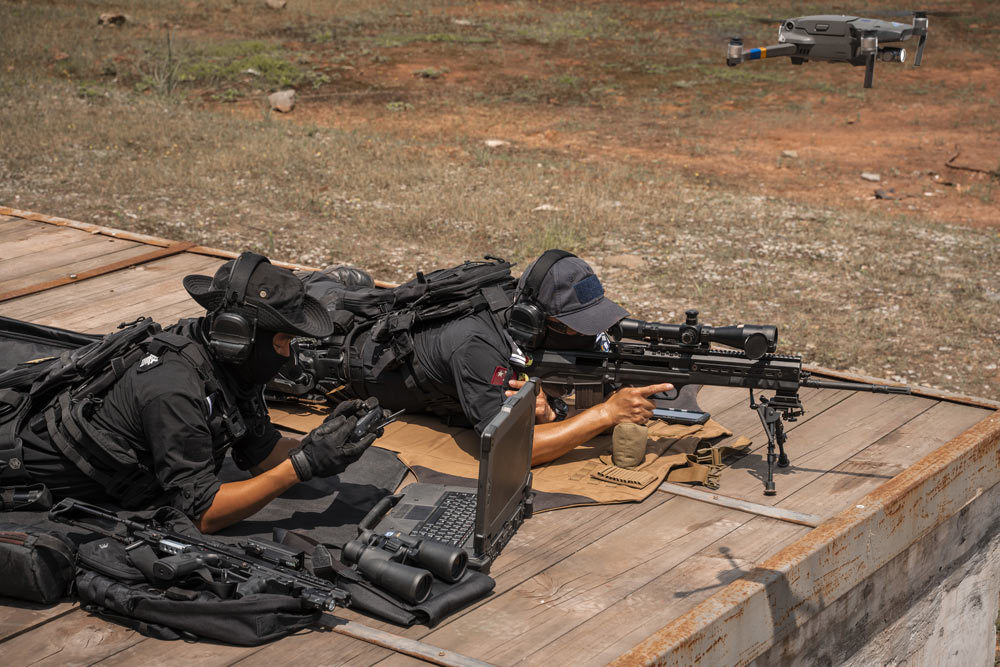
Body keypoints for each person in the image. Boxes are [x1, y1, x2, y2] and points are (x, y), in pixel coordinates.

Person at [2, 252, 378, 532]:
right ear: (235, 335)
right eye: (281, 341)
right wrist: (302, 467)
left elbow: (262, 455)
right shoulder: (174, 389)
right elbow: (205, 514)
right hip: (15, 471)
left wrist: (324, 443)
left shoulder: (227, 365)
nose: (287, 355)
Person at [316, 250, 672, 466]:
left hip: (385, 339)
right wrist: (605, 413)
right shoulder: (478, 345)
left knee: (352, 288)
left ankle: (341, 286)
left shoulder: (514, 312)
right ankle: (325, 286)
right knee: (312, 308)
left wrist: (552, 413)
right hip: (332, 364)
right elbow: (511, 453)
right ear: (532, 318)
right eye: (573, 327)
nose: (589, 337)